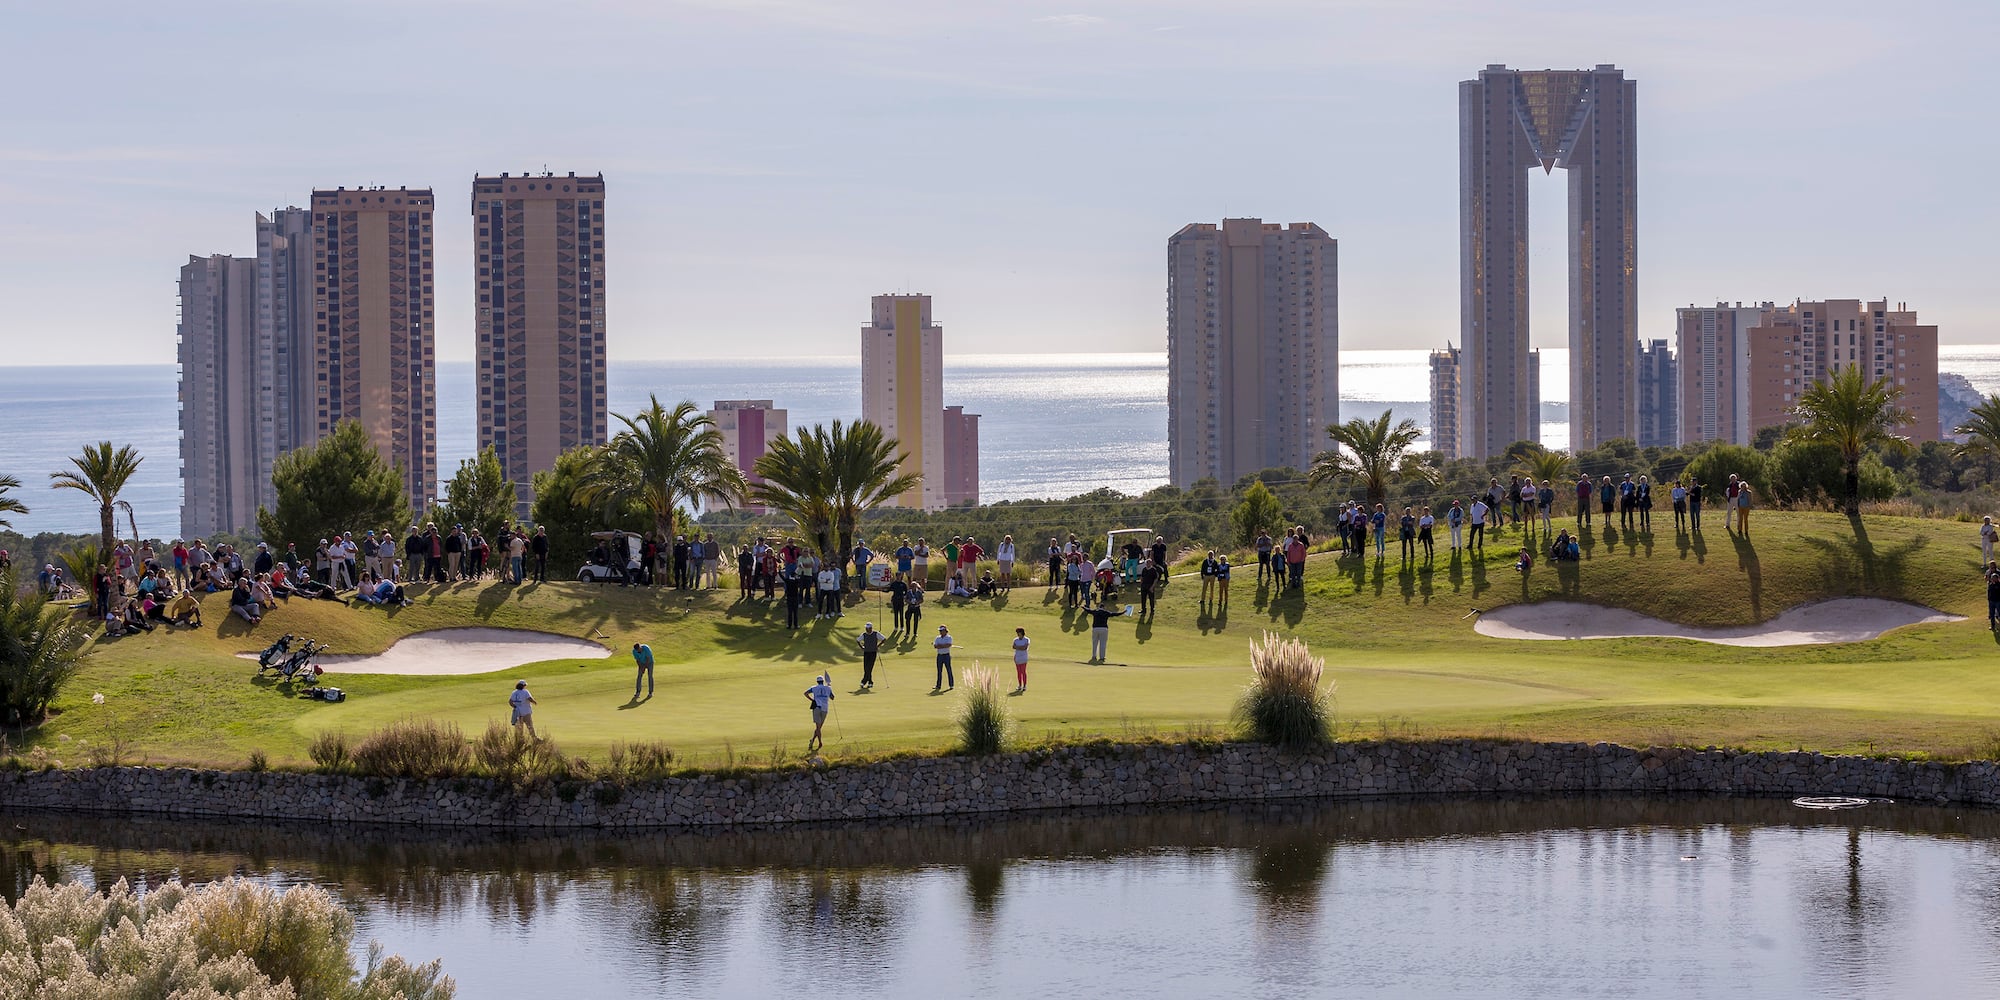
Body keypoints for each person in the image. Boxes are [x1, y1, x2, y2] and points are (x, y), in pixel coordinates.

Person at [803, 673, 835, 751]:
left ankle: (813, 740)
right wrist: (829, 687)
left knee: (818, 728)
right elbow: (832, 697)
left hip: (817, 707)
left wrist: (812, 700)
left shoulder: (814, 688)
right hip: (825, 708)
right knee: (819, 727)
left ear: (817, 681)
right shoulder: (828, 688)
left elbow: (805, 693)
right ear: (823, 681)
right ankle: (820, 742)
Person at [858, 623, 881, 689]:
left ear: (871, 628)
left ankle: (863, 681)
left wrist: (878, 646)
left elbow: (884, 639)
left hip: (873, 653)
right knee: (866, 667)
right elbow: (858, 640)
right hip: (866, 652)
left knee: (869, 667)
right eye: (866, 628)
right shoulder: (864, 634)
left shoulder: (876, 633)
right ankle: (870, 682)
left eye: (868, 628)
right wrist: (862, 647)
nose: (866, 629)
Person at [932, 625, 955, 691]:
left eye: (941, 631)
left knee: (949, 670)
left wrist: (941, 646)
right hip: (939, 656)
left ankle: (951, 685)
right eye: (940, 631)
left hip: (946, 656)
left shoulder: (949, 637)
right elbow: (936, 646)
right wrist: (943, 646)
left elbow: (948, 645)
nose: (940, 632)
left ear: (945, 631)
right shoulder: (937, 638)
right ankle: (938, 685)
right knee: (939, 671)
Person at [1012, 627, 1031, 693]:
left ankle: (1024, 685)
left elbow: (1025, 648)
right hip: (1017, 657)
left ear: (1022, 633)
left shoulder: (1027, 639)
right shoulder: (1015, 640)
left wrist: (1018, 647)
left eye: (1019, 633)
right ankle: (1020, 685)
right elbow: (1013, 646)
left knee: (1023, 671)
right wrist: (1020, 647)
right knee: (1019, 672)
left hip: (1023, 658)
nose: (1018, 634)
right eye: (1017, 633)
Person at [1986, 561, 2000, 630]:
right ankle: (1993, 626)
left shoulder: (1998, 585)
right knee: (1991, 614)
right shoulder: (1990, 585)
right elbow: (1986, 579)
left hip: (1998, 601)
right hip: (1991, 601)